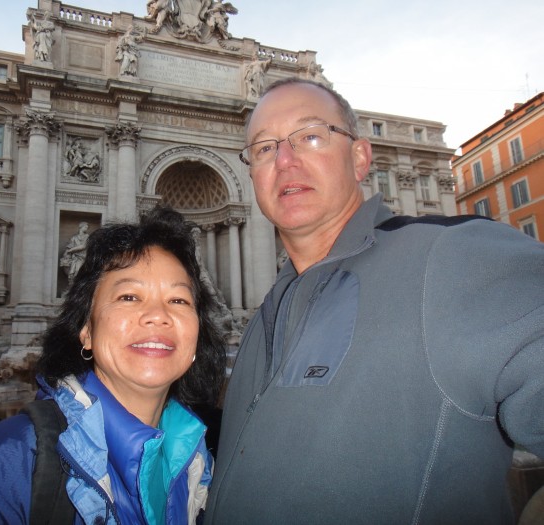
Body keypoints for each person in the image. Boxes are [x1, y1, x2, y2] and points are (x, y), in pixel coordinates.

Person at [205, 78, 544, 524]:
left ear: (361, 157)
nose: (285, 161)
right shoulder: (266, 312)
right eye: (265, 148)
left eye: (309, 136)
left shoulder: (453, 257)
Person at [0, 207, 227, 524]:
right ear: (86, 331)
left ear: (197, 335)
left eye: (179, 300)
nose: (158, 314)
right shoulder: (5, 463)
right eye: (129, 296)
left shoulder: (200, 461)